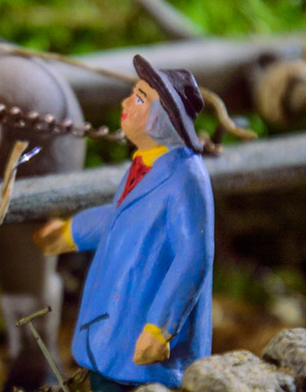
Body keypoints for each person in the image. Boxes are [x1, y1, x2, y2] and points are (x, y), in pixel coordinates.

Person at [34, 55, 214, 391]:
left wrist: (160, 328)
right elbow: (121, 218)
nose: (126, 102)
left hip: (146, 345)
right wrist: (71, 232)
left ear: (164, 118)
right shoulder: (144, 165)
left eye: (140, 98)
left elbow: (193, 257)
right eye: (133, 93)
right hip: (112, 330)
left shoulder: (186, 178)